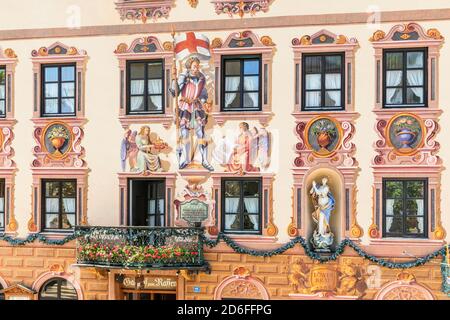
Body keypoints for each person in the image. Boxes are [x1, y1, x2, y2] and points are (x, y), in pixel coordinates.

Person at [170, 56, 214, 171]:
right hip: (185, 106)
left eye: (198, 66)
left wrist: (204, 102)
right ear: (190, 66)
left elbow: (203, 93)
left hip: (196, 106)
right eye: (195, 66)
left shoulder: (201, 78)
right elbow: (175, 93)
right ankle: (185, 159)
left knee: (201, 134)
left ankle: (204, 160)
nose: (196, 68)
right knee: (184, 134)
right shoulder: (184, 76)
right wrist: (174, 80)